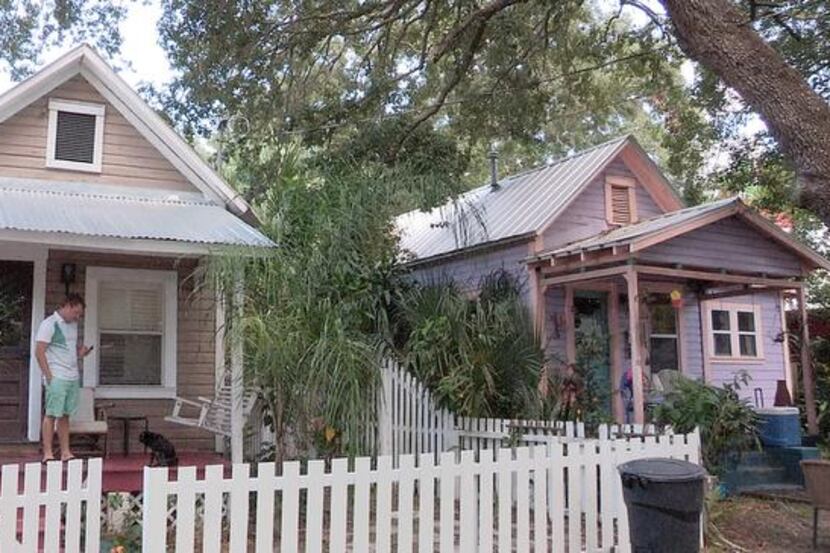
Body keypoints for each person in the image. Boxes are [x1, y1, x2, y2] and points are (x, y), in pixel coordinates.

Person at [35, 294, 93, 462]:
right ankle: (48, 454)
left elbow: (67, 350)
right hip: (56, 376)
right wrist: (49, 377)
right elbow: (39, 352)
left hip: (72, 376)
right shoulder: (49, 324)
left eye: (79, 314)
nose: (77, 317)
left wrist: (80, 354)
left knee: (65, 415)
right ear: (67, 305)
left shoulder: (73, 325)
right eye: (75, 312)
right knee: (51, 414)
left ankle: (66, 453)